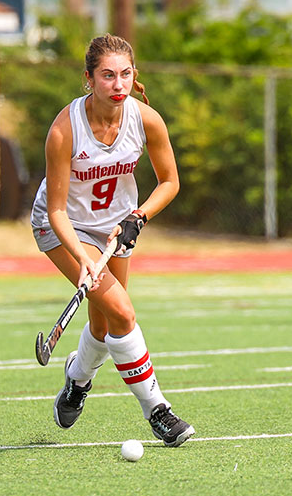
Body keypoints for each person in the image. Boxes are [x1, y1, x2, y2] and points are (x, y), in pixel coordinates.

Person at [30, 33, 195, 446]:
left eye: (124, 74)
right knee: (122, 312)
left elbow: (171, 182)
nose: (118, 85)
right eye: (107, 76)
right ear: (88, 79)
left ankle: (77, 380)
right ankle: (158, 411)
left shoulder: (146, 119)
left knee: (103, 326)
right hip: (64, 227)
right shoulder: (64, 131)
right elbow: (55, 210)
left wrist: (140, 216)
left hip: (116, 226)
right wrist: (81, 259)